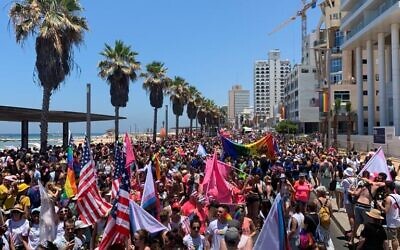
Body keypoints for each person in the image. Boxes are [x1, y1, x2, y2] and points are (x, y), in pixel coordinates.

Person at [376, 181, 400, 250]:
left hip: (392, 221)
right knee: (397, 238)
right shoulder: (398, 196)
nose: (384, 188)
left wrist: (380, 205)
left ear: (388, 188)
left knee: (393, 239)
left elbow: (385, 211)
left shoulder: (388, 198)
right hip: (398, 219)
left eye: (385, 187)